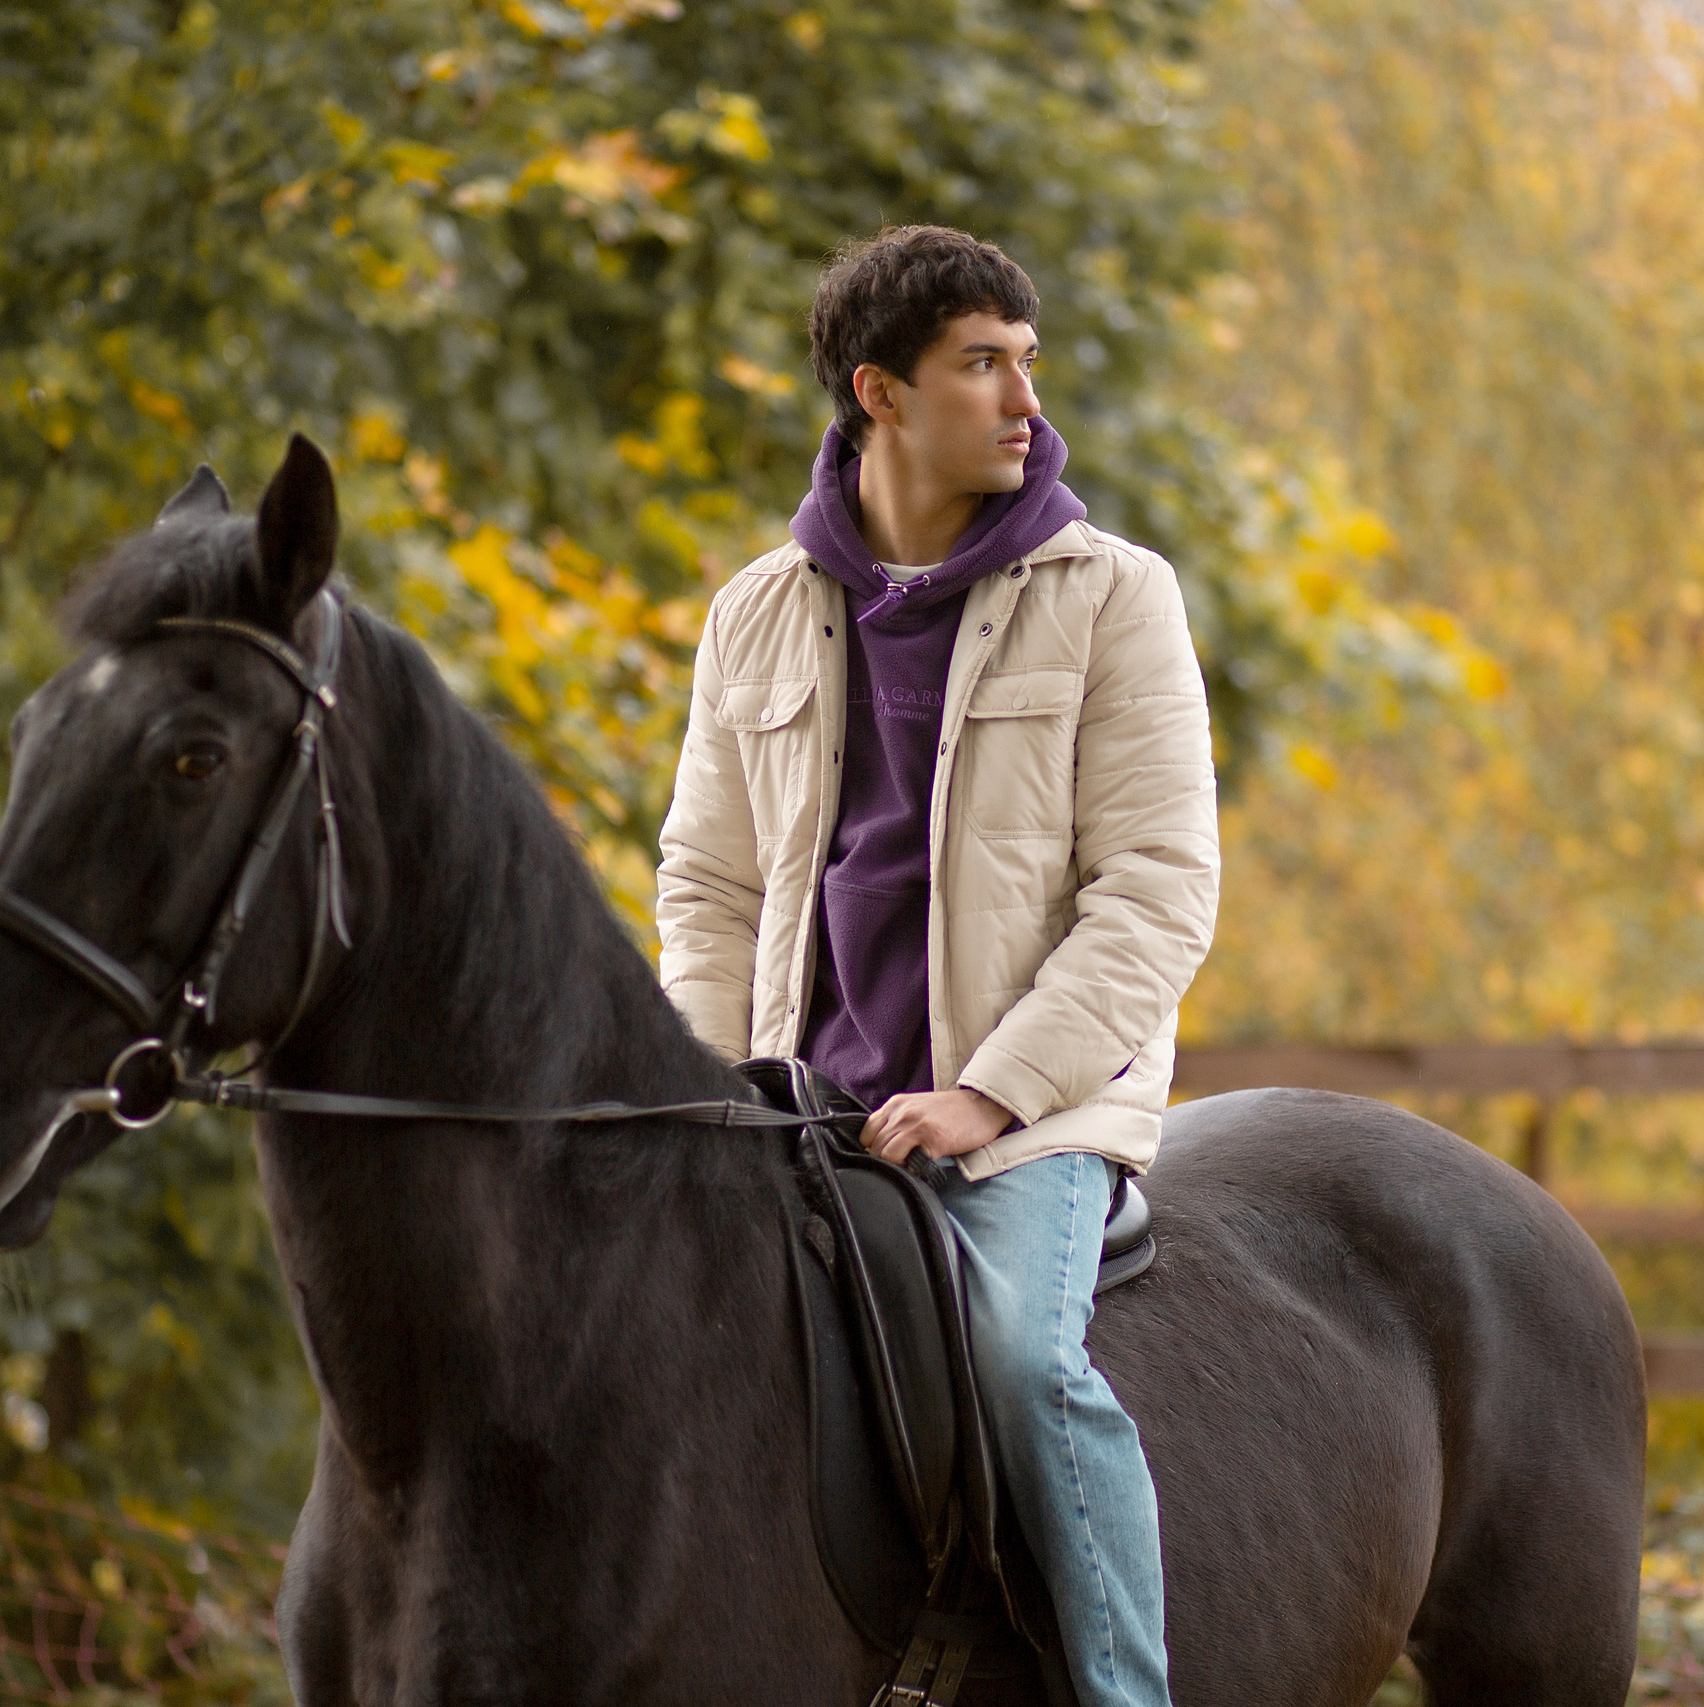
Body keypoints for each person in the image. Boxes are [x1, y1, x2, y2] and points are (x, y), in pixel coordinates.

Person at [655, 224, 1219, 1707]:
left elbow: (1158, 896)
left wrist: (989, 1094)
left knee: (1024, 1365)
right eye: (983, 364)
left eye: (1026, 361)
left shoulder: (1115, 597)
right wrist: (715, 1083)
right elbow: (708, 886)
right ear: (880, 392)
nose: (1025, 399)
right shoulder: (756, 612)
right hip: (795, 1104)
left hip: (1034, 1111)